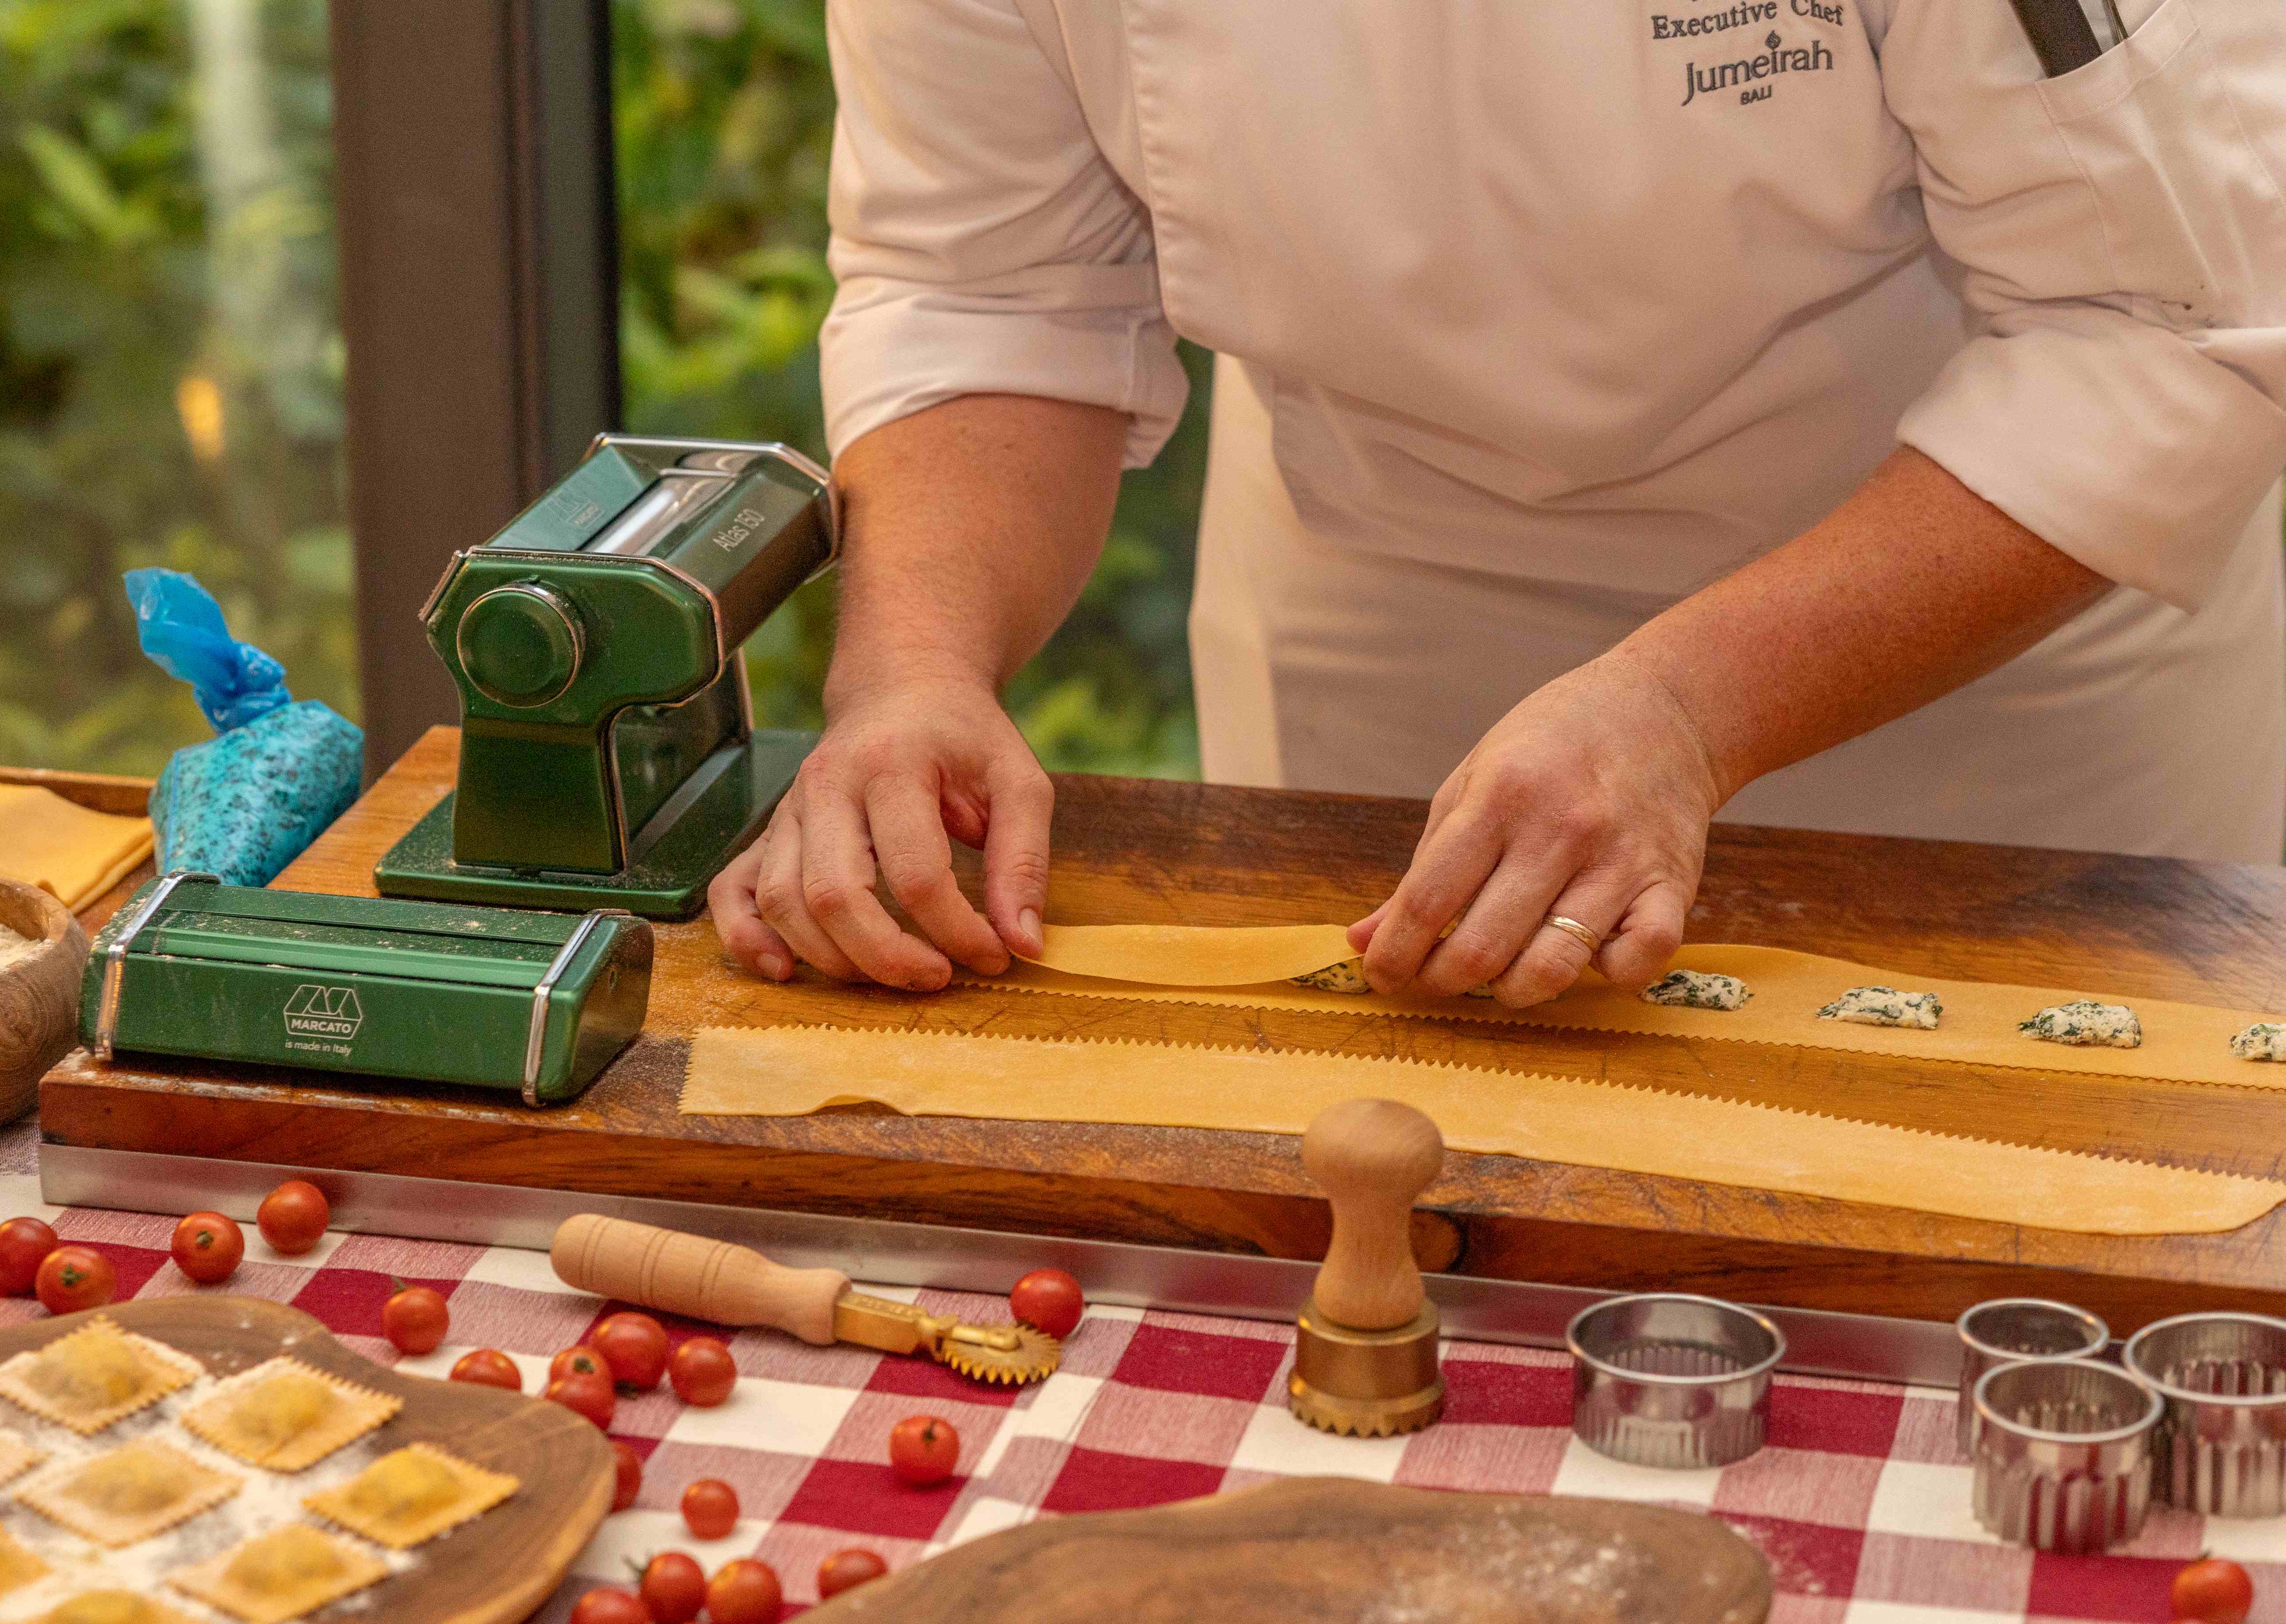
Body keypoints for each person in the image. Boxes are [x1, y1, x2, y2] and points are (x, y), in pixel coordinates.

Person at [709, 0, 2286, 1010]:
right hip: (1384, 642)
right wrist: (915, 668)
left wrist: (1685, 709)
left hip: (1991, 687)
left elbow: (2153, 322)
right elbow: (993, 290)